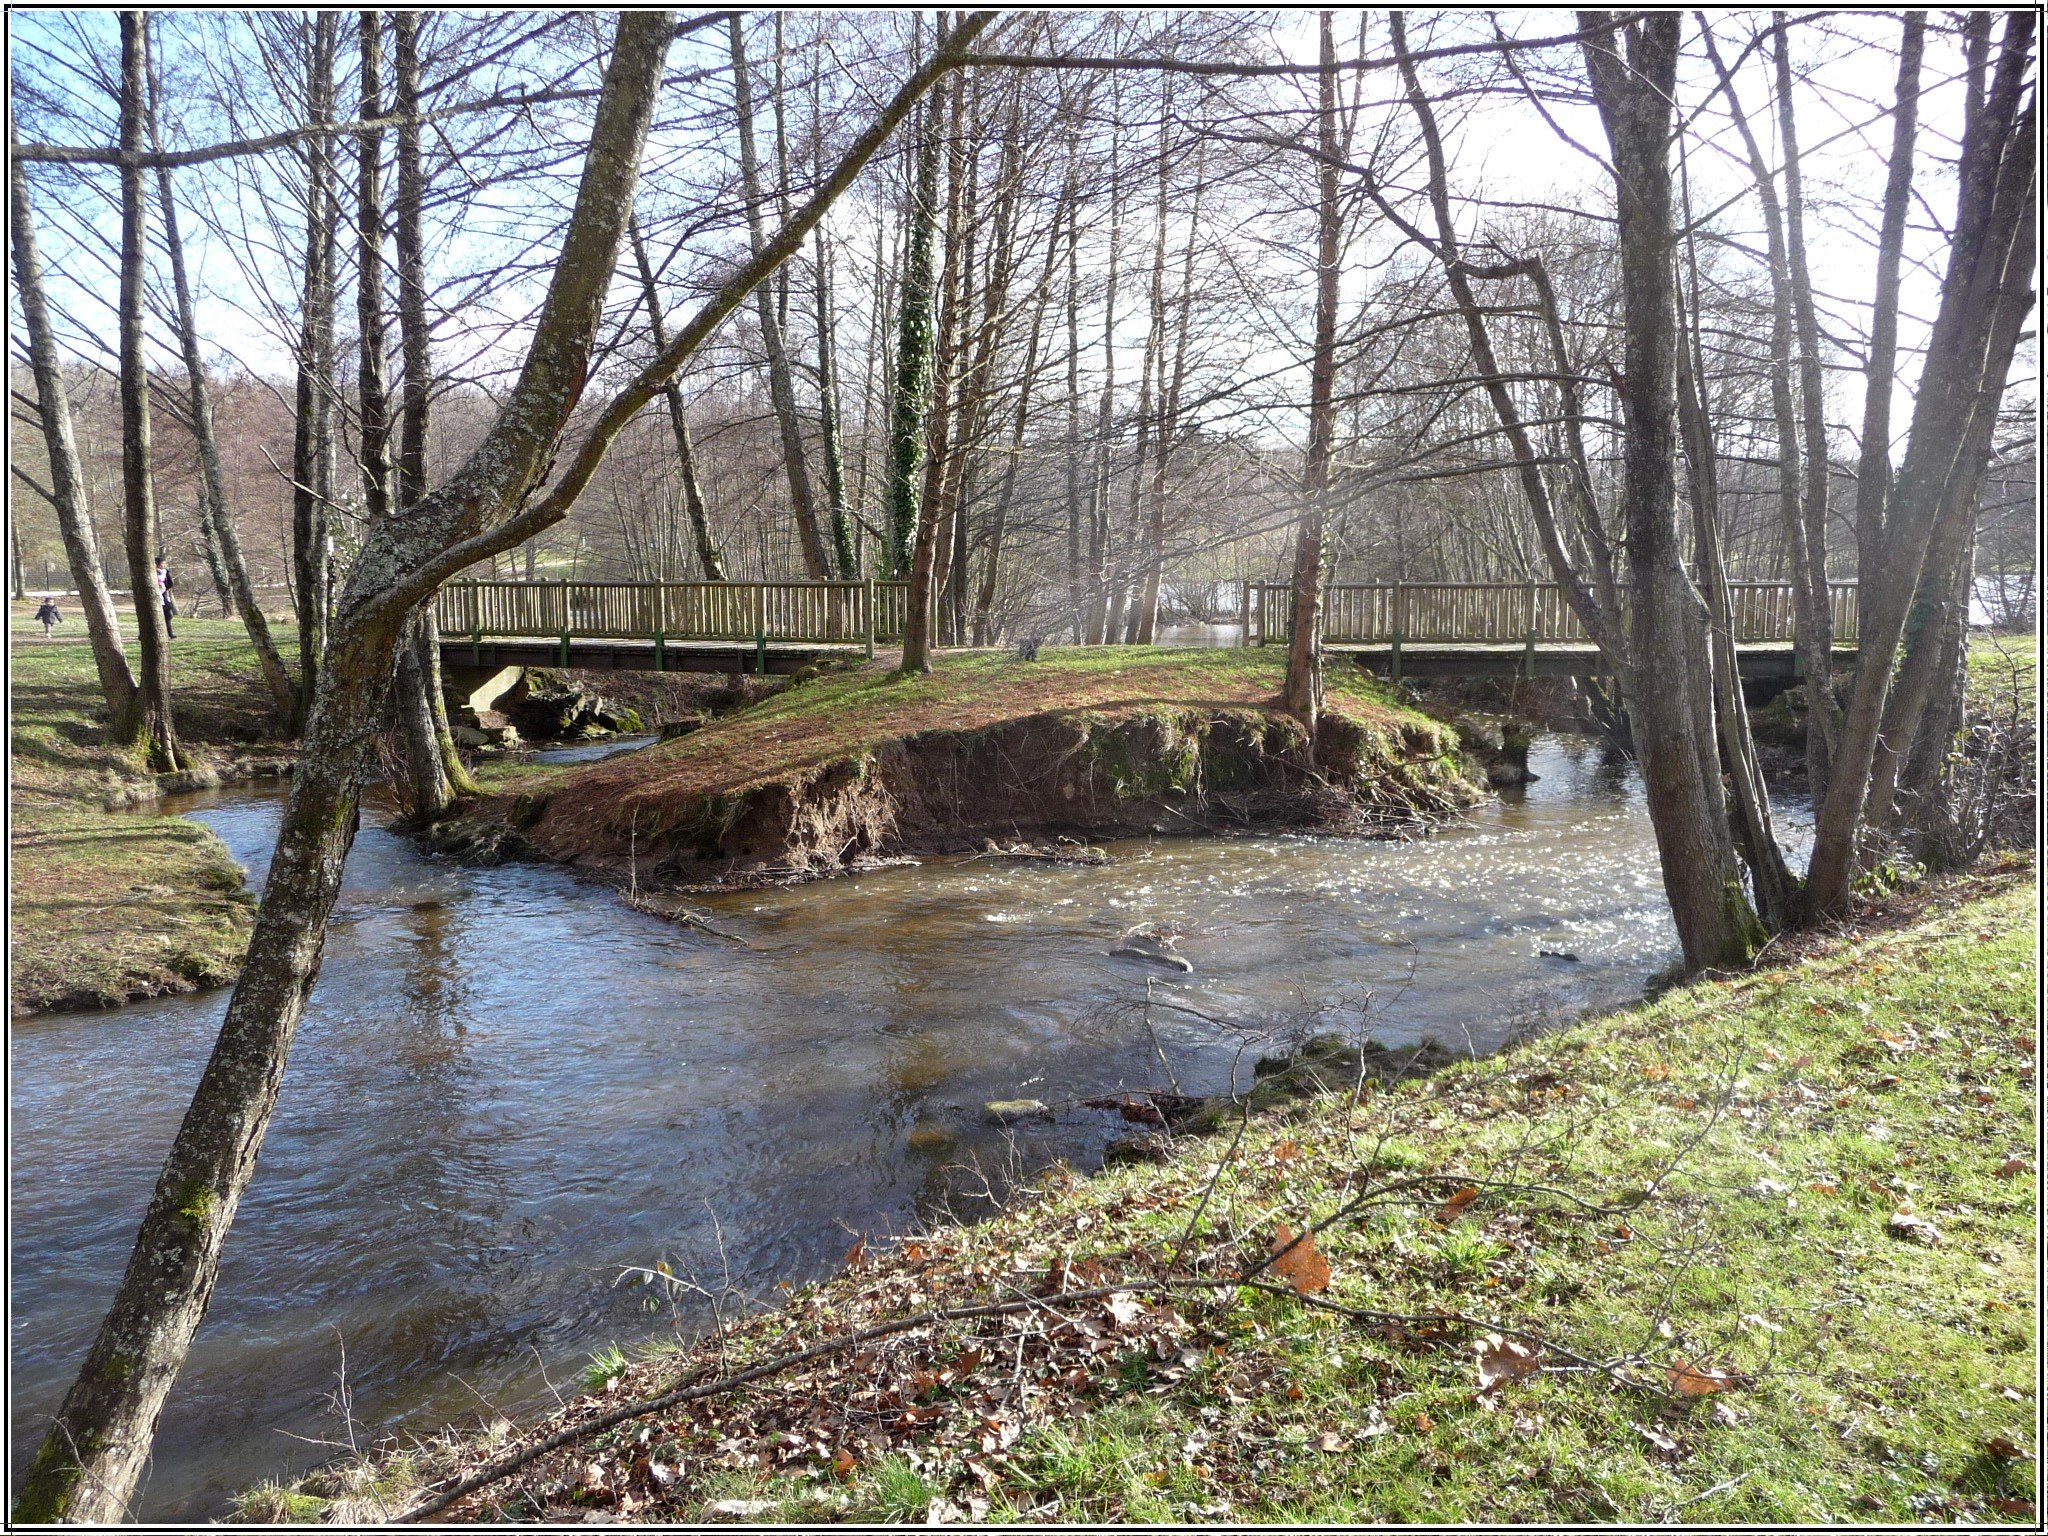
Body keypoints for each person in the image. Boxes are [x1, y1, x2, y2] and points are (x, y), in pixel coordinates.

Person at [155, 556, 176, 639]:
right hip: (156, 595)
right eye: (162, 563)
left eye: (165, 563)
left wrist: (164, 587)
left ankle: (169, 633)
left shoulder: (166, 572)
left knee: (168, 614)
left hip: (163, 595)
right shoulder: (153, 572)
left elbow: (170, 583)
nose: (164, 565)